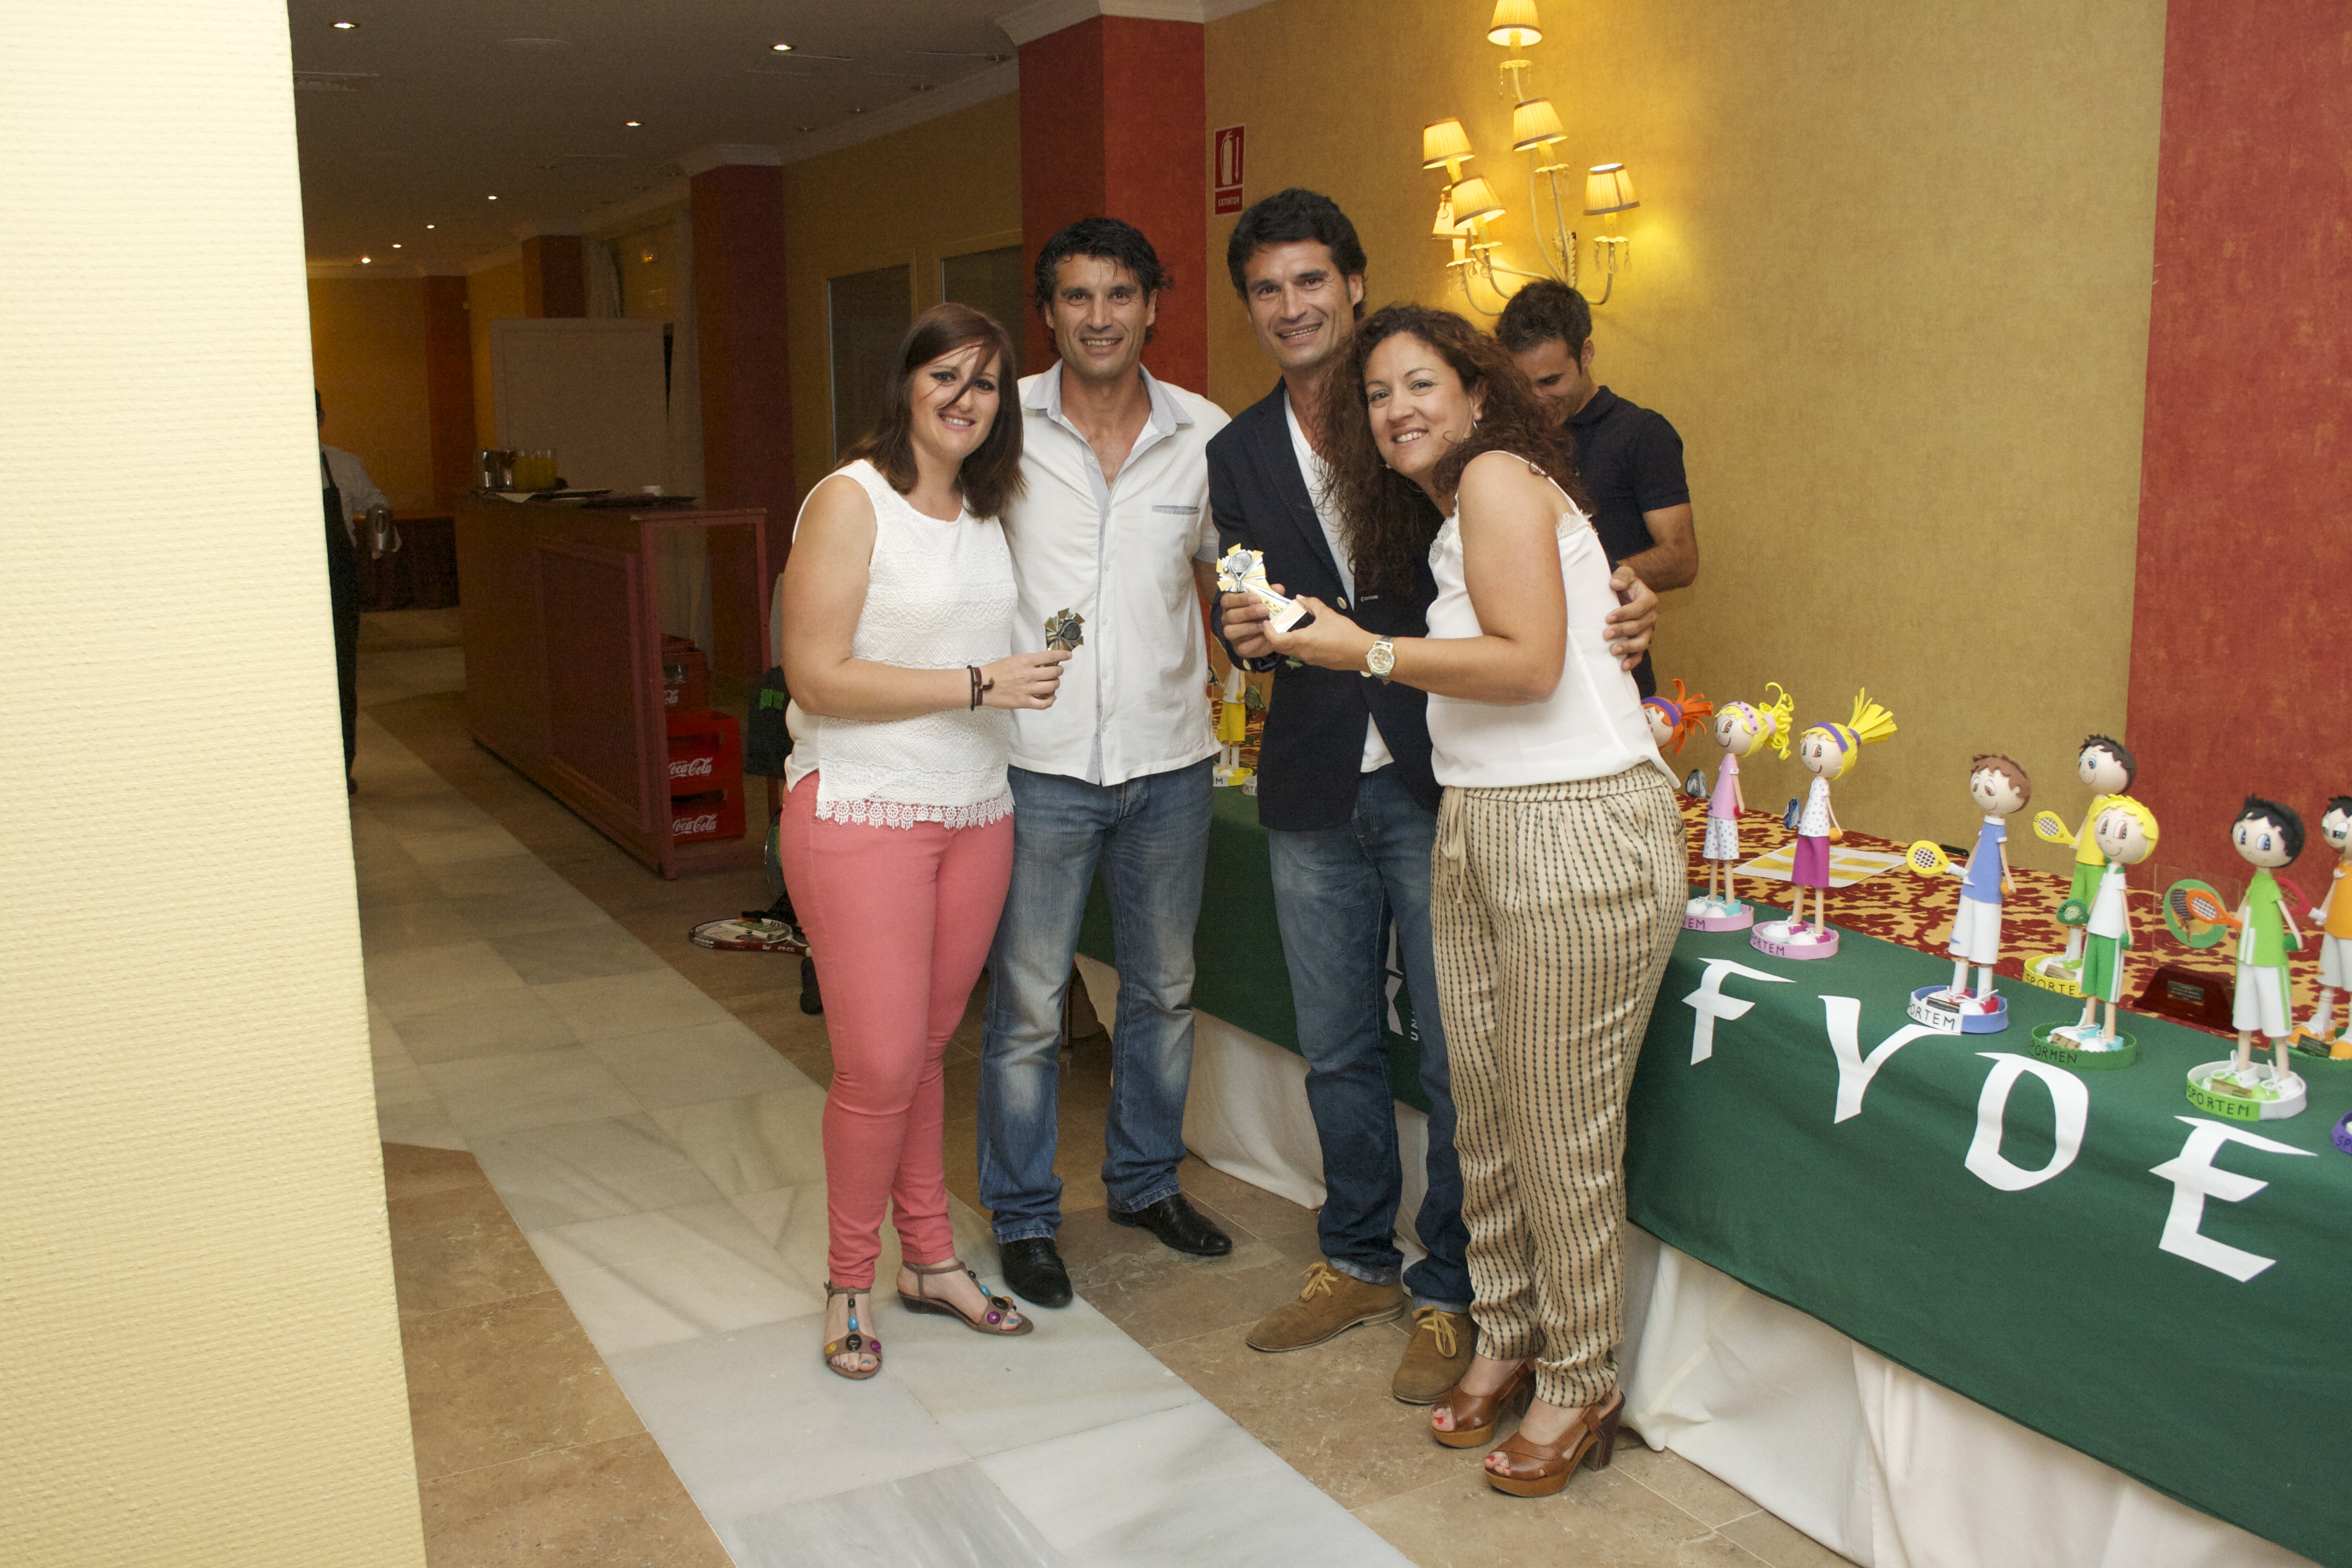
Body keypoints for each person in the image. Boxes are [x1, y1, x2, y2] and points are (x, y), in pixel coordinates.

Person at [1209, 189, 1659, 1405]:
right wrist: (1246, 631)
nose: (1292, 306)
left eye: (1312, 279)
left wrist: (1622, 593)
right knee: (1338, 1045)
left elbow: (1547, 570)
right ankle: (1357, 1258)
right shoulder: (1243, 451)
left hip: (1451, 777)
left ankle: (1455, 1293)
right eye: (1266, 288)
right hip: (1317, 774)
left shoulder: (1445, 445)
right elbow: (1246, 601)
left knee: (1469, 1067)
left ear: (1352, 284)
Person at [776, 303, 1070, 1379]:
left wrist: (1023, 678)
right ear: (905, 383)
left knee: (927, 1052)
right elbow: (815, 677)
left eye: (985, 383)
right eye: (944, 375)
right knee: (879, 1065)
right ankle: (849, 1281)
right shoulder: (849, 500)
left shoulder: (985, 510)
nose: (963, 398)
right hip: (863, 810)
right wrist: (978, 683)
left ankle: (932, 1260)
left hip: (976, 808)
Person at [979, 218, 1235, 1310]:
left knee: (1163, 991)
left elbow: (1235, 576)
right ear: (1047, 312)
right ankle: (1024, 1215)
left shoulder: (1205, 434)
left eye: (1120, 294)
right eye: (1077, 296)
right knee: (1031, 1004)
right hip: (1034, 766)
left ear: (1152, 305)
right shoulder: (998, 425)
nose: (1099, 317)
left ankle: (1142, 1182)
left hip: (1169, 761)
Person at [1495, 279, 1696, 698]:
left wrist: (1580, 577)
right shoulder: (1506, 443)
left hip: (1614, 664)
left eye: (1550, 381)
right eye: (1522, 384)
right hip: (1525, 669)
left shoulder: (1641, 433)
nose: (1536, 399)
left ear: (1586, 354)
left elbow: (1681, 557)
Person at [317, 392, 387, 788]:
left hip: (337, 579)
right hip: (282, 587)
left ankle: (341, 770)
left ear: (321, 418)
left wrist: (381, 526)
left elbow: (374, 500)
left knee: (341, 677)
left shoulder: (342, 463)